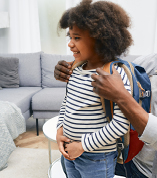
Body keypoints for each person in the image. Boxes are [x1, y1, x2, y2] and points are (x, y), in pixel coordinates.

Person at [55, 9, 157, 178]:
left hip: (150, 169)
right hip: (123, 156)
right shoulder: (144, 64)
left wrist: (121, 96)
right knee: (70, 164)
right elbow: (106, 70)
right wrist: (72, 67)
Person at [56, 0, 133, 177]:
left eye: (77, 38)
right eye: (70, 37)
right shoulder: (76, 69)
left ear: (100, 39)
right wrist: (60, 129)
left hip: (97, 158)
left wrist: (82, 145)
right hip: (70, 152)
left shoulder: (115, 75)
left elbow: (121, 125)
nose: (70, 43)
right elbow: (67, 103)